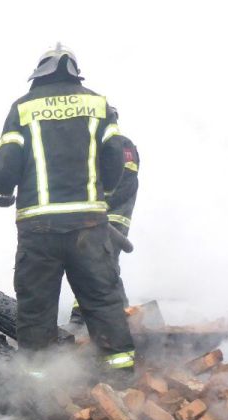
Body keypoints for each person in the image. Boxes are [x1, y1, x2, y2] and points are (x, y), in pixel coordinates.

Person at [0, 43, 135, 378]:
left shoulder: (23, 108)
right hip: (88, 225)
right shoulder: (97, 104)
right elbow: (115, 154)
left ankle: (41, 392)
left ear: (39, 73)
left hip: (38, 230)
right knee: (102, 301)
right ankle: (122, 380)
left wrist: (0, 194)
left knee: (36, 310)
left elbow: (5, 161)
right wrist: (105, 195)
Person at [71, 106, 139, 323]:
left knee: (105, 259)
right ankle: (108, 311)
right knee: (87, 260)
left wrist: (101, 204)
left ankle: (84, 315)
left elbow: (127, 179)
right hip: (92, 215)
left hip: (114, 217)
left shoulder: (123, 145)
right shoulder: (90, 147)